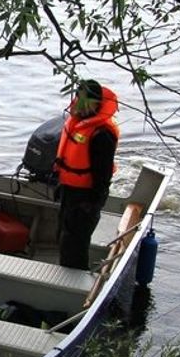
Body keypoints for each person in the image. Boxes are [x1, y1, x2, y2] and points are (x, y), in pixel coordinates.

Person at [54, 80, 119, 269]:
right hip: (69, 190)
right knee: (64, 236)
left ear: (96, 103)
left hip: (87, 197)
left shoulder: (101, 135)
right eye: (78, 98)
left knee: (75, 243)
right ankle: (67, 272)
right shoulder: (77, 124)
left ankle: (75, 283)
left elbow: (103, 175)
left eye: (85, 100)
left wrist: (91, 202)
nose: (80, 104)